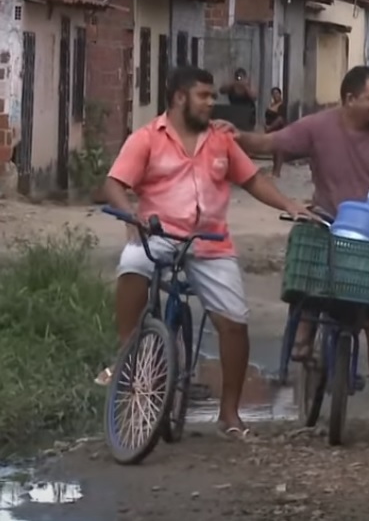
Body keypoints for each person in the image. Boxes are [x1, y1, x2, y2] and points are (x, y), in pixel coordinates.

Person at [218, 66, 369, 437]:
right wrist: (239, 138)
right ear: (349, 99)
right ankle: (302, 337)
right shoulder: (318, 127)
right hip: (329, 222)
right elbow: (273, 143)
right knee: (310, 273)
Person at [99, 66, 309, 440]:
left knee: (235, 322)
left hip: (211, 242)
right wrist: (130, 215)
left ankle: (229, 413)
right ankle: (127, 352)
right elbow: (115, 182)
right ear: (180, 98)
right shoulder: (147, 138)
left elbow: (252, 180)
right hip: (159, 233)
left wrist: (290, 204)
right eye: (205, 96)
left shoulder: (221, 140)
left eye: (213, 96)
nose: (213, 103)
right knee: (132, 263)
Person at [264, 87, 286, 177]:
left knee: (278, 150)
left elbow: (280, 119)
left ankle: (277, 171)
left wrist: (270, 127)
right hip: (271, 129)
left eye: (277, 93)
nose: (275, 95)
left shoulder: (282, 106)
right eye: (274, 94)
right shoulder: (272, 105)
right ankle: (274, 170)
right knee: (274, 151)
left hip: (278, 129)